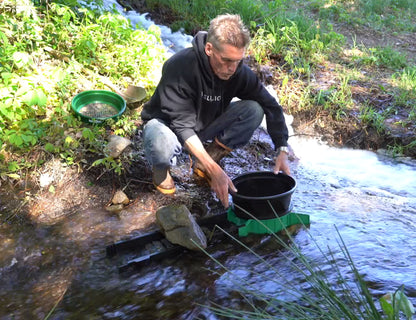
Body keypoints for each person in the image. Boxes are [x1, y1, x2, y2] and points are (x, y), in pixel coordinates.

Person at [141, 14, 290, 208]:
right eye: (226, 60)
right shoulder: (180, 66)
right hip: (169, 127)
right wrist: (215, 171)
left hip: (203, 124)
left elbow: (271, 105)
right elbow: (181, 125)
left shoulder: (238, 72)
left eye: (237, 61)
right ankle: (161, 170)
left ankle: (206, 160)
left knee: (254, 109)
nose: (232, 68)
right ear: (209, 49)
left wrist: (282, 147)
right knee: (157, 136)